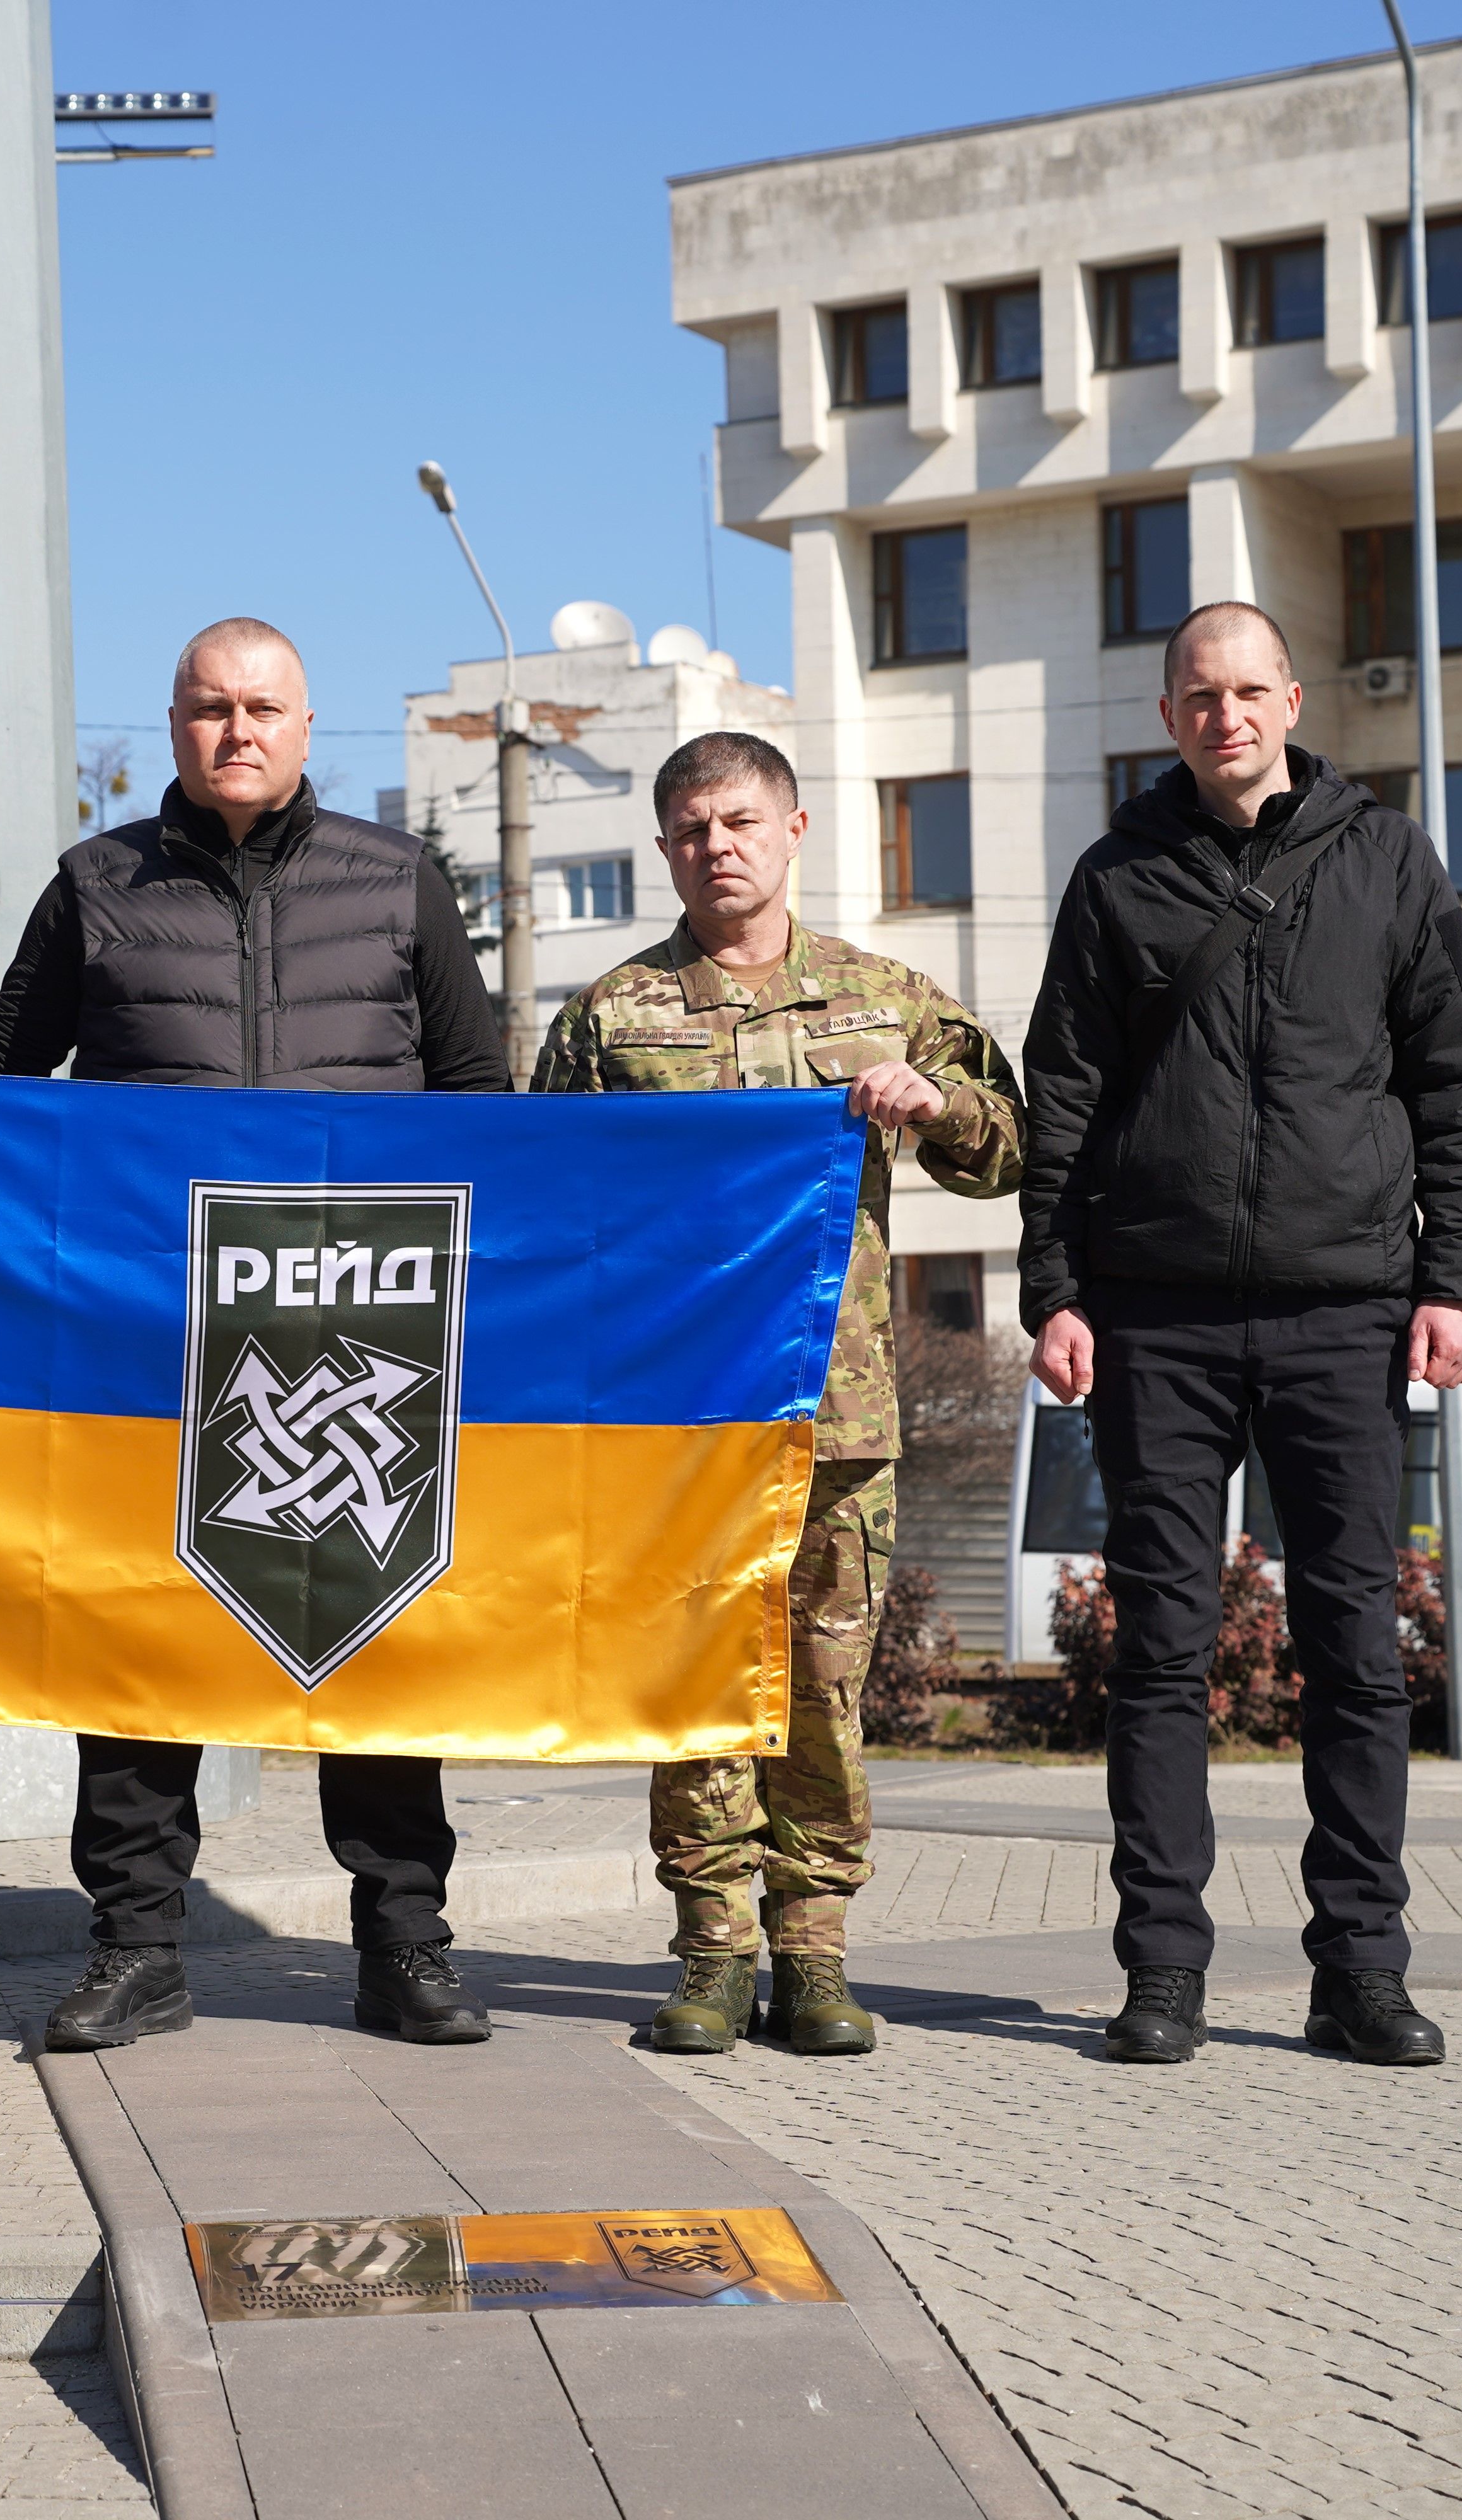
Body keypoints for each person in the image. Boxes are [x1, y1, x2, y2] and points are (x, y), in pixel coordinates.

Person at [0, 618, 512, 2051]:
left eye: (263, 707)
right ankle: (136, 1946)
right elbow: (5, 1049)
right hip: (160, 1331)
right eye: (208, 708)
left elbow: (479, 1086)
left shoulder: (400, 880)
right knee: (139, 1639)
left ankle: (405, 1944)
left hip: (364, 1333)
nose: (236, 729)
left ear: (310, 727)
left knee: (367, 1641)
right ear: (176, 725)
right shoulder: (99, 884)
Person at [1020, 600, 1462, 2069]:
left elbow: (1457, 1081)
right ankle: (1162, 1967)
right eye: (1197, 694)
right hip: (1154, 1319)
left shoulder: (1387, 860)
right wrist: (1055, 1287)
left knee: (1353, 1647)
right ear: (1167, 715)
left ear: (1290, 698)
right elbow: (1064, 1094)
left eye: (1248, 689)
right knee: (1163, 1649)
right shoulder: (1119, 877)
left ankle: (1360, 1968)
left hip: (1344, 1308)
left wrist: (1457, 1281)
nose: (1226, 715)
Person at [531, 731, 1023, 2061]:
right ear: (664, 850)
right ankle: (709, 1953)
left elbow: (1012, 1146)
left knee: (821, 1690)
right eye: (691, 829)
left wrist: (933, 1102)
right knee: (696, 1686)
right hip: (678, 1423)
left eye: (740, 820)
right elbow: (544, 1199)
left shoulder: (880, 996)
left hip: (836, 1417)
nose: (718, 847)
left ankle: (813, 1955)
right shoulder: (608, 1020)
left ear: (796, 828)